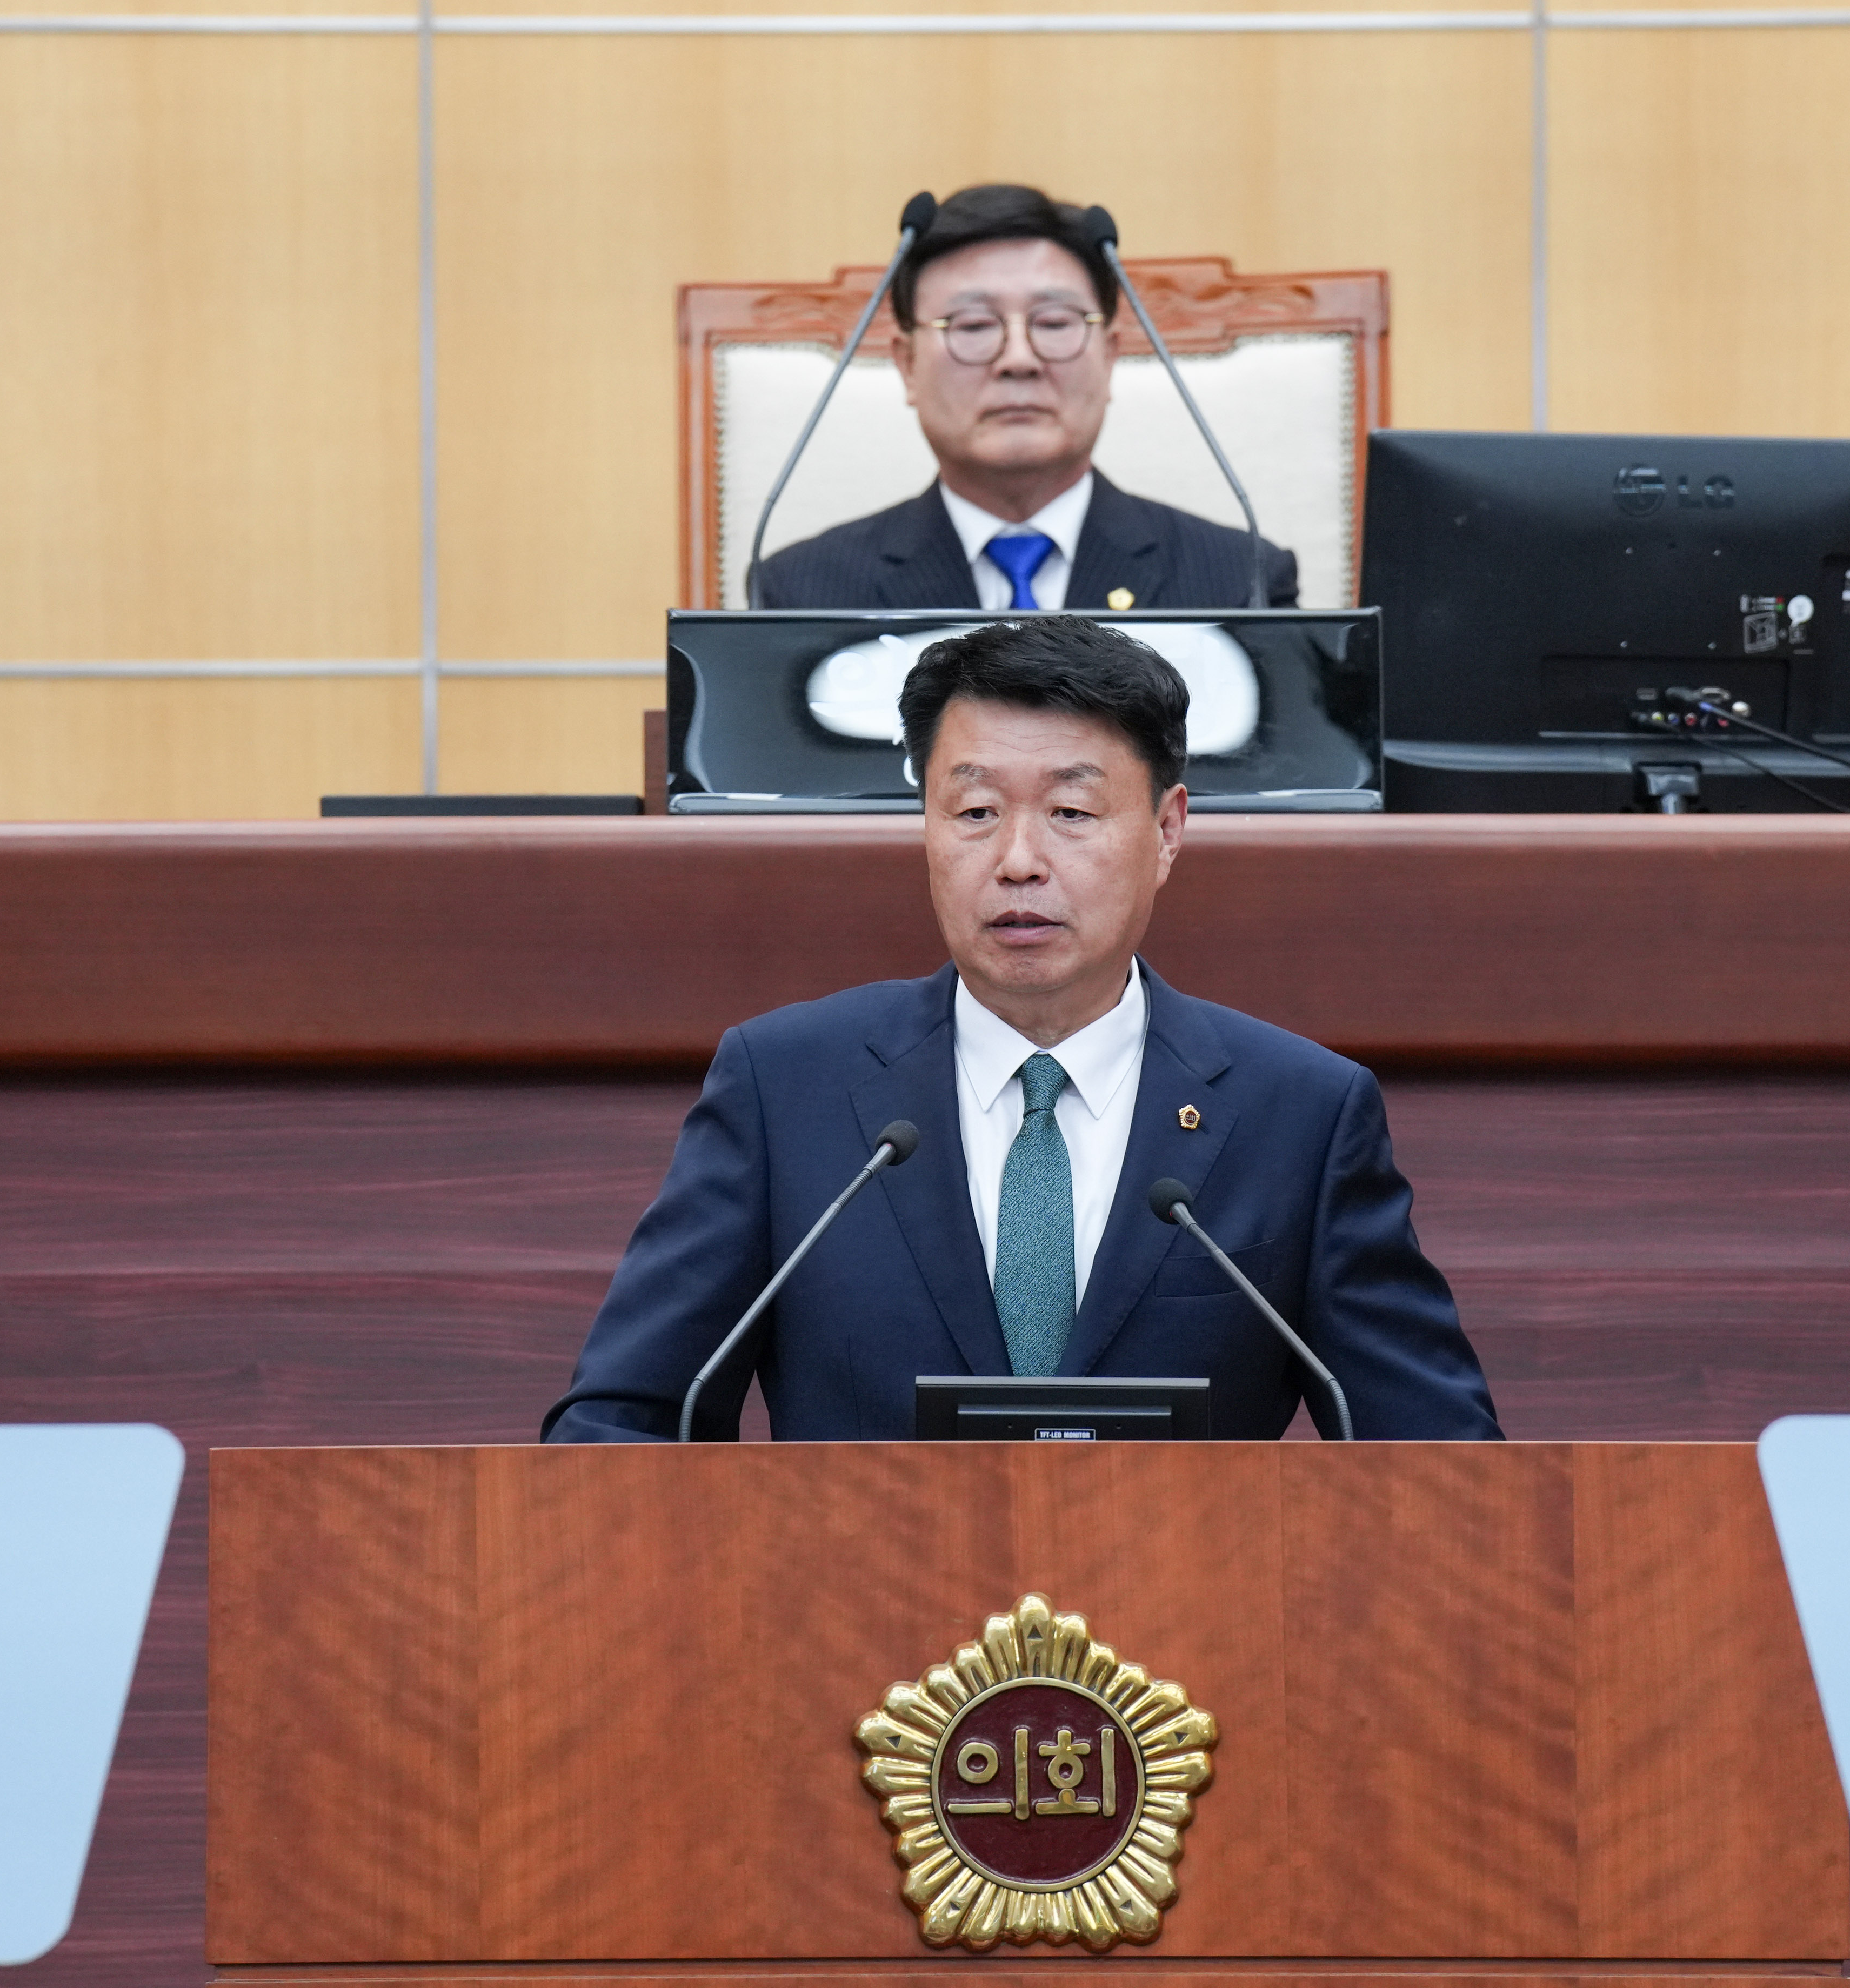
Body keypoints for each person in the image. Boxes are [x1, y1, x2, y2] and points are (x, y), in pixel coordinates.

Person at [542, 618, 1496, 1441]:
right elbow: (618, 1421)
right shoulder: (787, 1088)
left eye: (1072, 812)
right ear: (924, 825)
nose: (1018, 860)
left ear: (1168, 831)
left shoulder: (1300, 1113)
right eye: (975, 811)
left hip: (1185, 1643)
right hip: (857, 1639)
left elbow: (1438, 1455)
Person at [746, 184, 1300, 612]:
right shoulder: (803, 591)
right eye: (973, 325)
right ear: (908, 365)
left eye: (1054, 322)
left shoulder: (1237, 580)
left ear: (1109, 358)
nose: (1019, 359)